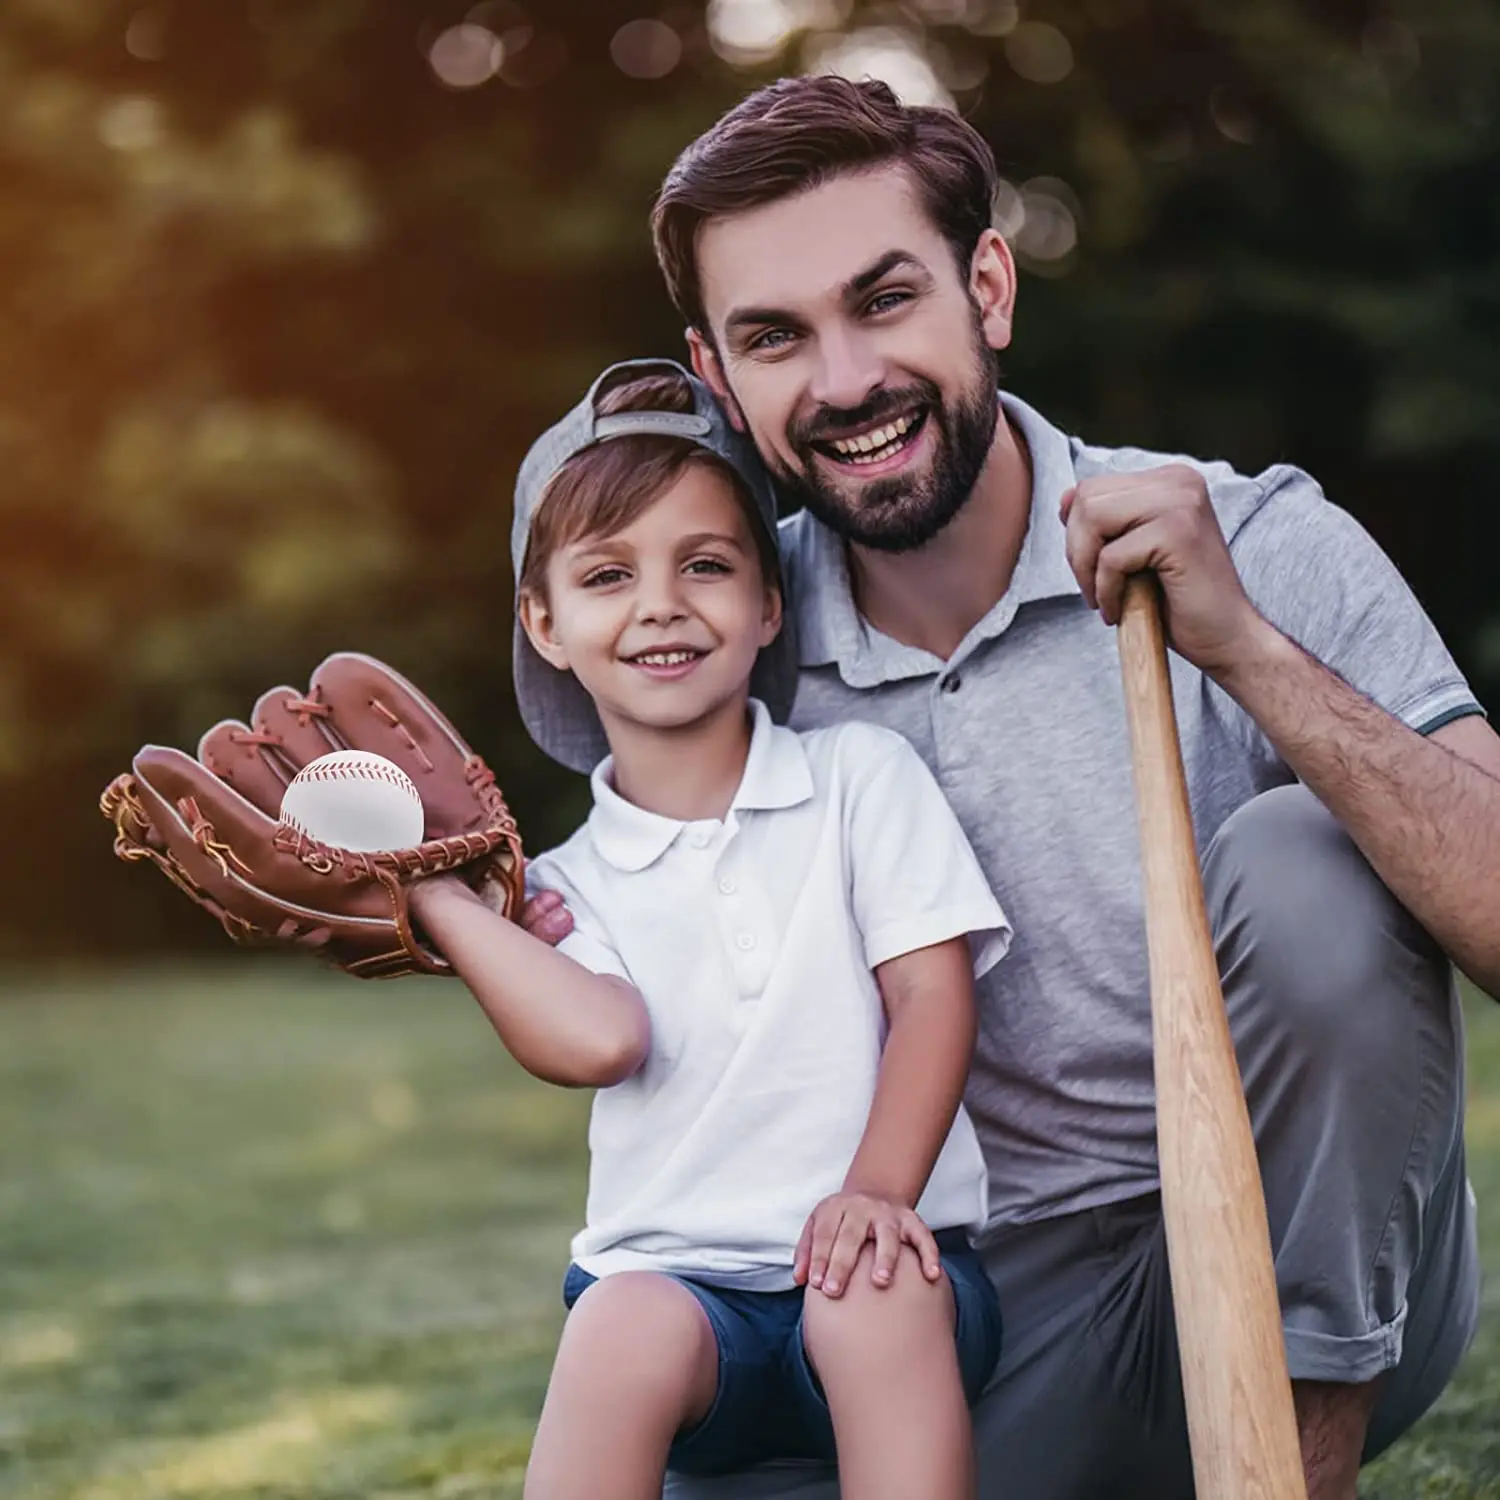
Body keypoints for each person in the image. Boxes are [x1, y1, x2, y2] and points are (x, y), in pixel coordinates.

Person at [522, 76, 1500, 1500]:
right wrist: (410, 887)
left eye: (885, 298)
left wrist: (1246, 649)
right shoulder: (728, 624)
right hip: (942, 1302)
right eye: (776, 337)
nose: (847, 378)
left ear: (989, 284)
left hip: (1293, 1266)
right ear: (718, 375)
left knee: (1309, 864)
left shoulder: (1253, 540)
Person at [411, 357, 1011, 1500]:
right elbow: (596, 1043)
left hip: (893, 1270)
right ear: (544, 622)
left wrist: (878, 1190)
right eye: (605, 575)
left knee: (871, 1295)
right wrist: (440, 901)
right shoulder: (564, 885)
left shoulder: (857, 781)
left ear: (769, 600)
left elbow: (934, 996)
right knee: (621, 1326)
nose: (660, 605)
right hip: (689, 1310)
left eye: (706, 564)